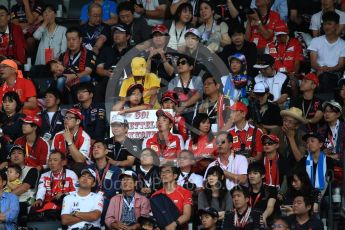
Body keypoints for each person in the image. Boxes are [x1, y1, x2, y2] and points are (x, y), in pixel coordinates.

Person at [308, 11, 345, 100]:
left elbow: (341, 65)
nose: (326, 27)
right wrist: (320, 69)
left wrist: (327, 70)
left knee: (325, 78)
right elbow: (313, 62)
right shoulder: (316, 41)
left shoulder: (343, 44)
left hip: (334, 74)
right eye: (324, 24)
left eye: (329, 24)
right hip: (316, 72)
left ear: (336, 25)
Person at [31, 151, 78, 220]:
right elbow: (41, 189)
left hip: (65, 203)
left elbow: (77, 192)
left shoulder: (71, 174)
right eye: (50, 160)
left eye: (55, 160)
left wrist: (64, 194)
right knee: (34, 208)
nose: (52, 163)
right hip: (48, 203)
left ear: (63, 162)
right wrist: (39, 199)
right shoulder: (44, 175)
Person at [95, 23, 132, 102]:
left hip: (128, 80)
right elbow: (99, 69)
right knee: (98, 88)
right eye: (115, 33)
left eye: (121, 33)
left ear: (128, 37)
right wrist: (107, 73)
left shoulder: (134, 51)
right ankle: (100, 111)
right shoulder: (106, 50)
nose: (117, 35)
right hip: (109, 79)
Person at [88, 140, 122, 224]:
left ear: (106, 151)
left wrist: (100, 197)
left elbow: (114, 190)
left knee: (105, 201)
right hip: (90, 199)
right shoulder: (88, 169)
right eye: (94, 148)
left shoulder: (115, 170)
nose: (95, 149)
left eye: (98, 147)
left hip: (108, 200)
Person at [58, 27, 96, 100]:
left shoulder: (89, 54)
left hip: (83, 82)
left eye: (74, 39)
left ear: (80, 40)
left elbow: (88, 72)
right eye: (68, 40)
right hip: (65, 81)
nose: (71, 42)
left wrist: (73, 76)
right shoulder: (63, 56)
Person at [152, 163, 192, 229]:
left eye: (168, 171)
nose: (163, 174)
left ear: (175, 176)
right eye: (162, 172)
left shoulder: (185, 192)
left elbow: (187, 215)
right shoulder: (155, 195)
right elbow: (155, 215)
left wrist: (174, 224)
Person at [297, 132, 334, 205]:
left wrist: (317, 200)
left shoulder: (328, 161)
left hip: (324, 196)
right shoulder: (303, 161)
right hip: (307, 196)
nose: (309, 144)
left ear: (320, 144)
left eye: (312, 141)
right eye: (307, 142)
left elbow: (328, 180)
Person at [51, 108, 91, 174]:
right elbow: (52, 156)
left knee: (78, 166)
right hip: (61, 165)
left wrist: (69, 142)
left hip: (78, 168)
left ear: (78, 121)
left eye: (70, 117)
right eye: (65, 117)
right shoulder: (58, 135)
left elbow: (80, 161)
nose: (66, 120)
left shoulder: (85, 137)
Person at [9, 145, 39, 227]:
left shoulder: (32, 170)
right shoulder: (6, 172)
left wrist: (6, 198)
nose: (16, 155)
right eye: (13, 153)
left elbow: (24, 188)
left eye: (19, 153)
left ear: (25, 157)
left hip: (28, 201)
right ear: (10, 157)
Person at [168, 54, 203, 123]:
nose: (180, 65)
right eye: (178, 63)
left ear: (191, 67)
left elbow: (198, 95)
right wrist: (177, 109)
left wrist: (183, 106)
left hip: (194, 113)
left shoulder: (197, 80)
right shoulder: (173, 81)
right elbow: (170, 98)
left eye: (183, 63)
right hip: (177, 112)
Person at [247, 161, 278, 226]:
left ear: (263, 175)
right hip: (249, 222)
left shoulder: (271, 190)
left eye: (255, 173)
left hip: (267, 222)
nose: (251, 176)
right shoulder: (246, 191)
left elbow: (270, 207)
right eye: (249, 174)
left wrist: (263, 216)